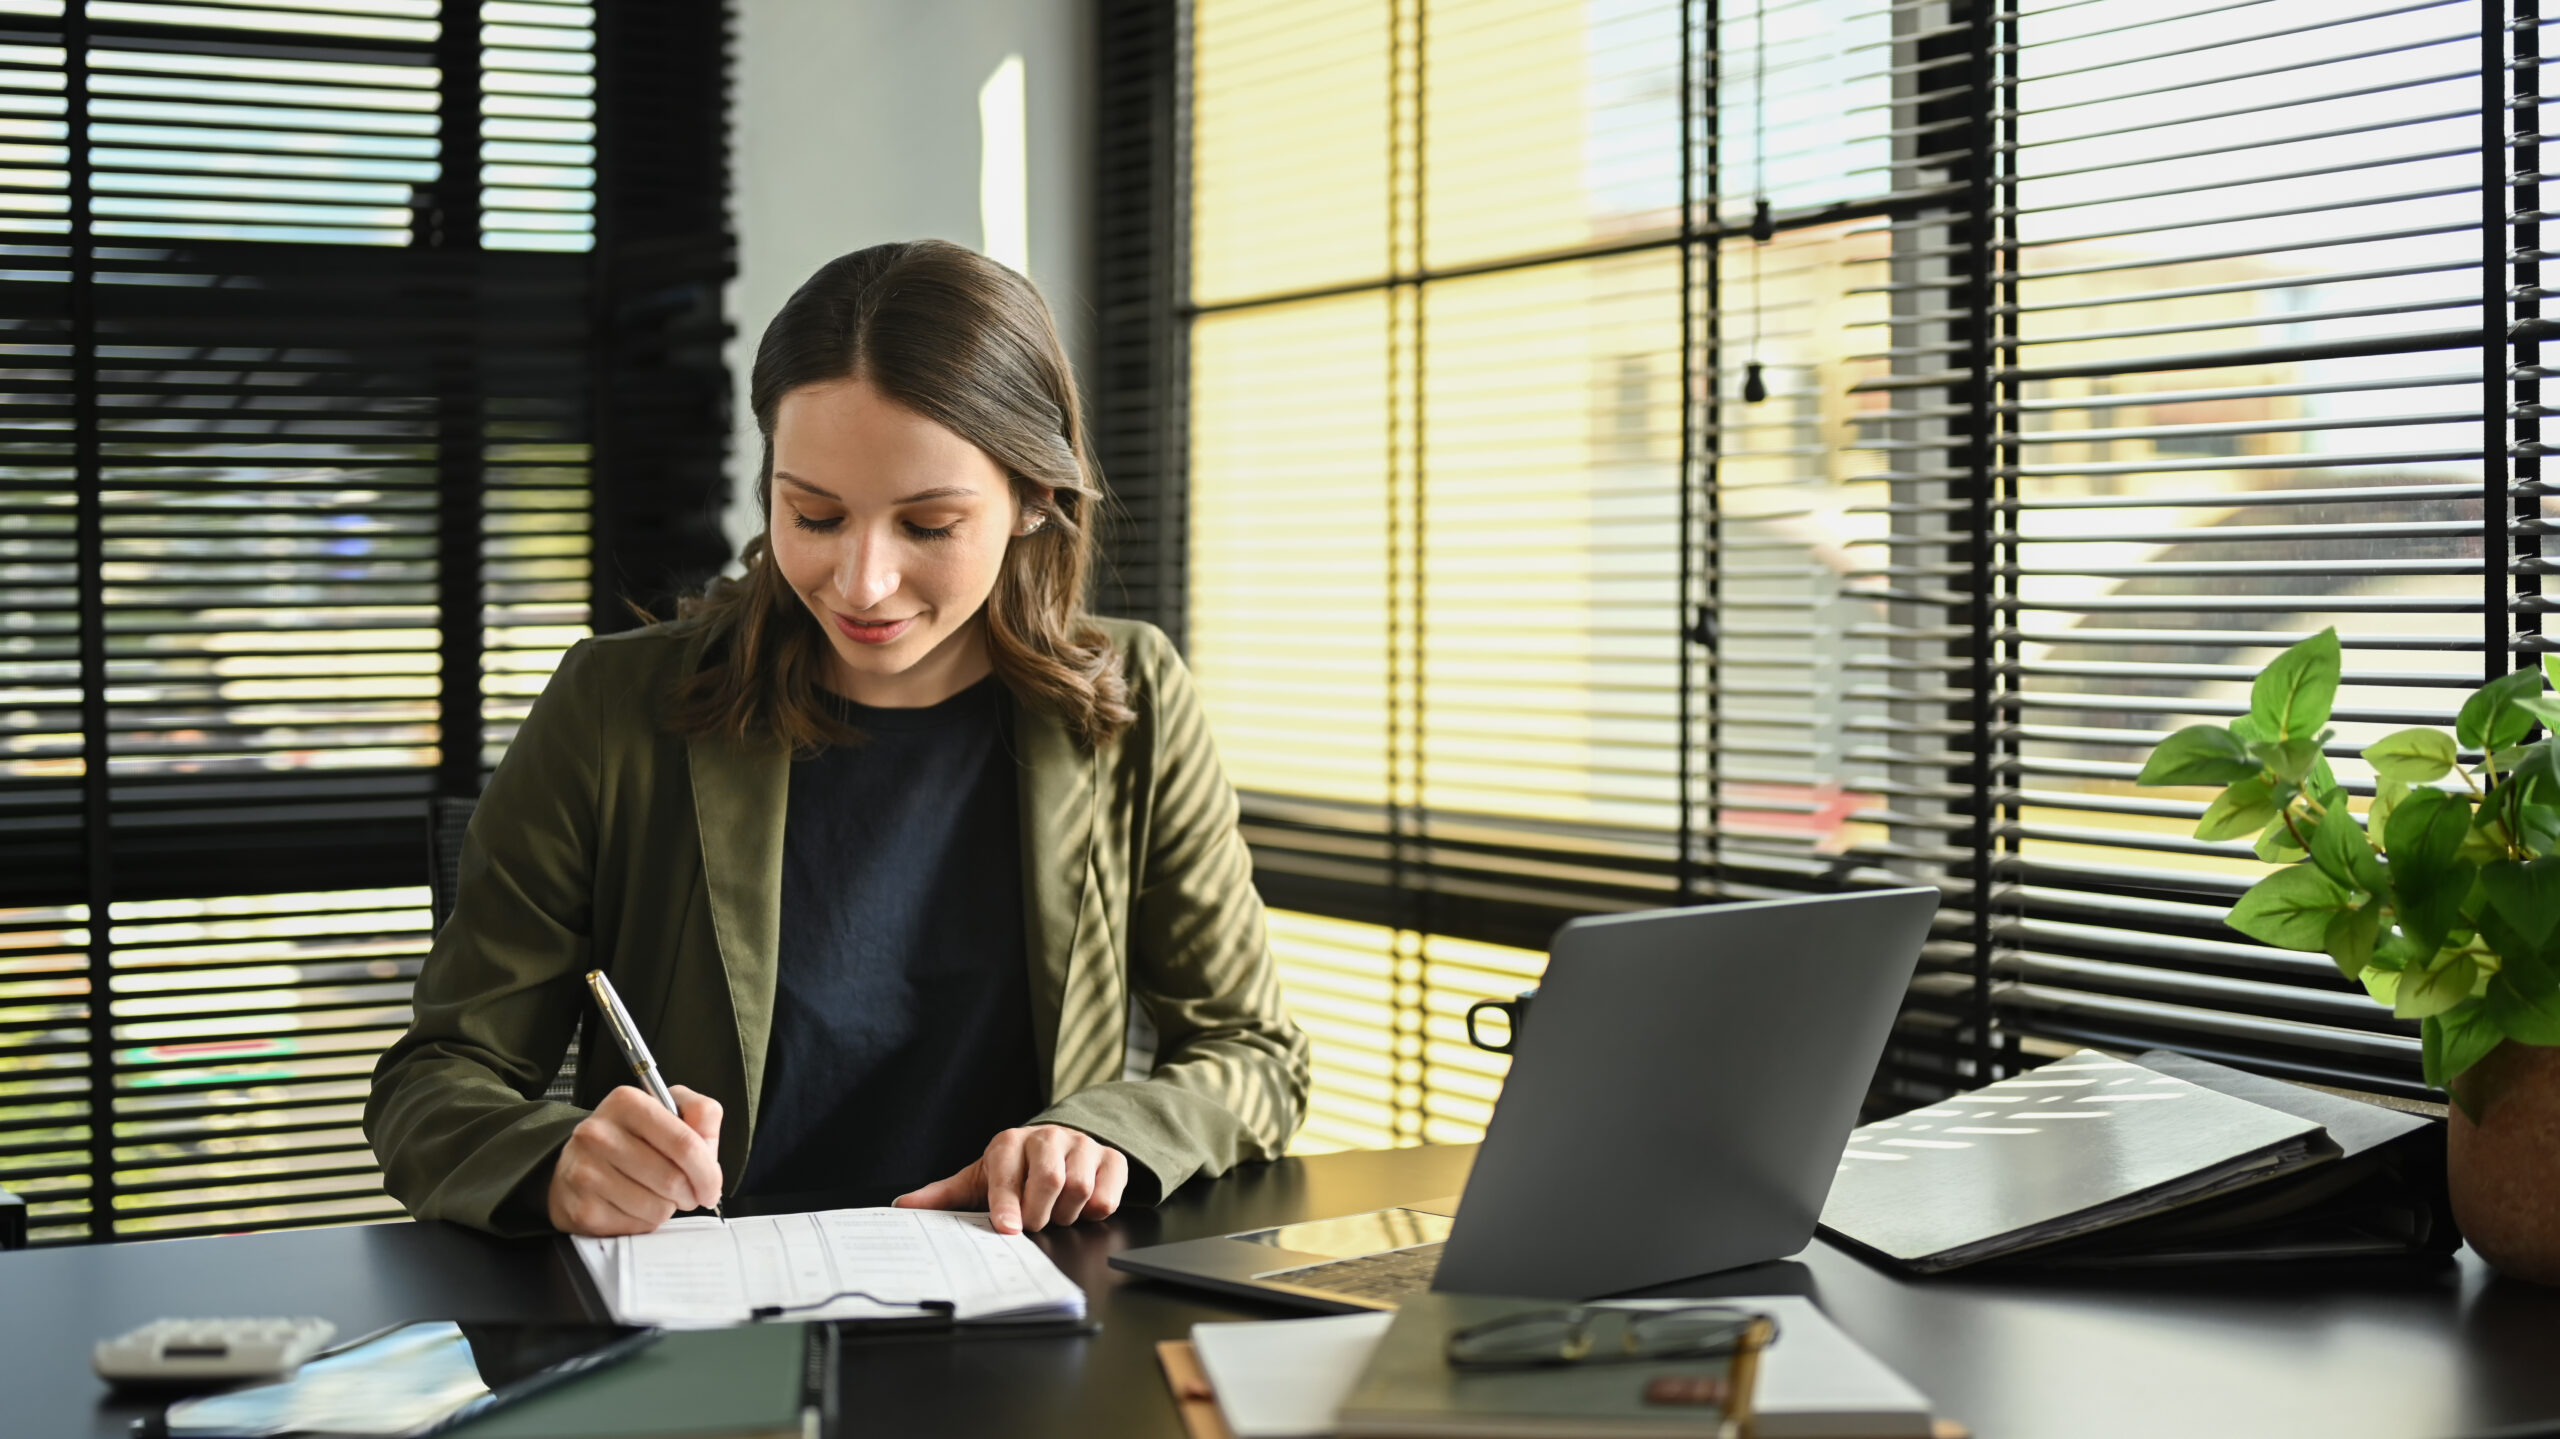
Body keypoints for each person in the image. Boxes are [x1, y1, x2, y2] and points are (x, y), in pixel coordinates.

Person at [365, 239, 1309, 1238]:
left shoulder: (1136, 694)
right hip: (705, 1298)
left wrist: (1101, 1132)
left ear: (1035, 498)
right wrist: (556, 1161)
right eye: (813, 514)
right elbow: (434, 1080)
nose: (862, 583)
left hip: (1021, 1288)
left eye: (929, 525)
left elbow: (1252, 1051)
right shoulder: (613, 705)